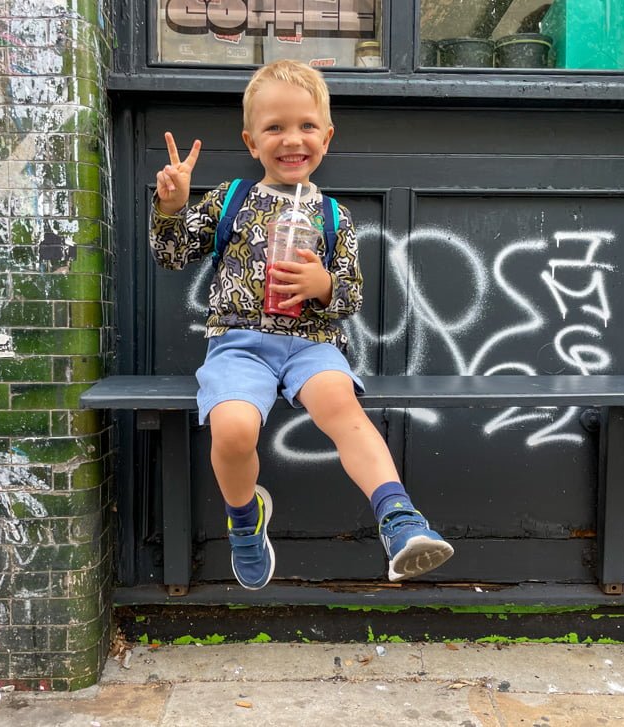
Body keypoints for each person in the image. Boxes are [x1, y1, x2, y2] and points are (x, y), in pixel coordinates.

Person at [149, 59, 453, 590]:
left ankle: (400, 520)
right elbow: (171, 255)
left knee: (342, 407)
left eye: (307, 126)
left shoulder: (334, 216)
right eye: (275, 128)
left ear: (327, 136)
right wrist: (172, 206)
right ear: (251, 141)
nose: (293, 140)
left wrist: (325, 287)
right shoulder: (230, 200)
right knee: (235, 428)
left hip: (312, 343)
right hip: (239, 343)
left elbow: (351, 294)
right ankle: (245, 519)